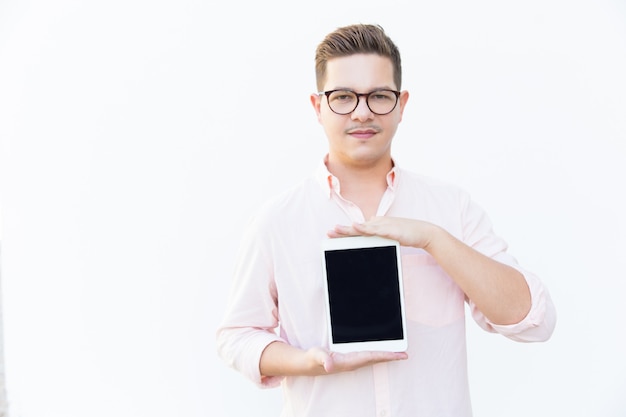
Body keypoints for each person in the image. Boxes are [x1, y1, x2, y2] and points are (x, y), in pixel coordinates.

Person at [216, 23, 556, 416]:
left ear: (401, 104)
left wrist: (433, 239)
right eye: (343, 96)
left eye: (379, 96)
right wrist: (308, 362)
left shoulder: (451, 207)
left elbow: (534, 322)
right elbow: (236, 336)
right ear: (318, 106)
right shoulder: (277, 221)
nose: (362, 111)